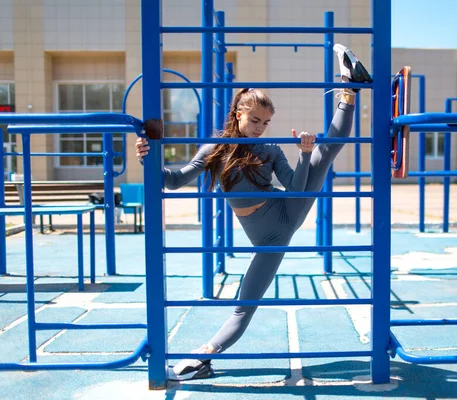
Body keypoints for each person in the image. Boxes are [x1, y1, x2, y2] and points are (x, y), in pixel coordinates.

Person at [135, 44, 372, 381]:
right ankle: (204, 357)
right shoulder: (215, 149)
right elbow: (171, 181)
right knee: (244, 305)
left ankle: (349, 90)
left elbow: (295, 188)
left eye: (266, 121)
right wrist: (148, 156)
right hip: (268, 237)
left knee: (323, 152)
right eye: (255, 120)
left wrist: (304, 155)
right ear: (238, 115)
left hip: (287, 209)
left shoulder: (270, 149)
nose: (261, 127)